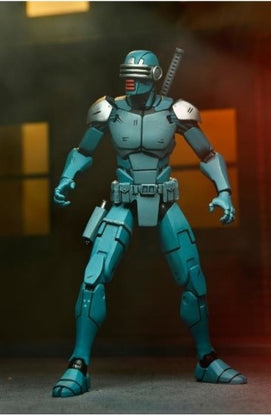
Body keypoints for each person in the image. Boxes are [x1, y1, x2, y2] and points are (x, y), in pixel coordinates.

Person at [52, 50, 247, 397]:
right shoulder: (109, 110)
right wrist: (68, 177)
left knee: (193, 278)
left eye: (138, 76)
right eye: (127, 76)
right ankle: (78, 365)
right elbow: (83, 151)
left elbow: (207, 154)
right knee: (93, 279)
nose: (131, 83)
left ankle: (206, 359)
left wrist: (224, 191)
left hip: (164, 200)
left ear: (155, 76)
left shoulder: (176, 112)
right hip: (123, 200)